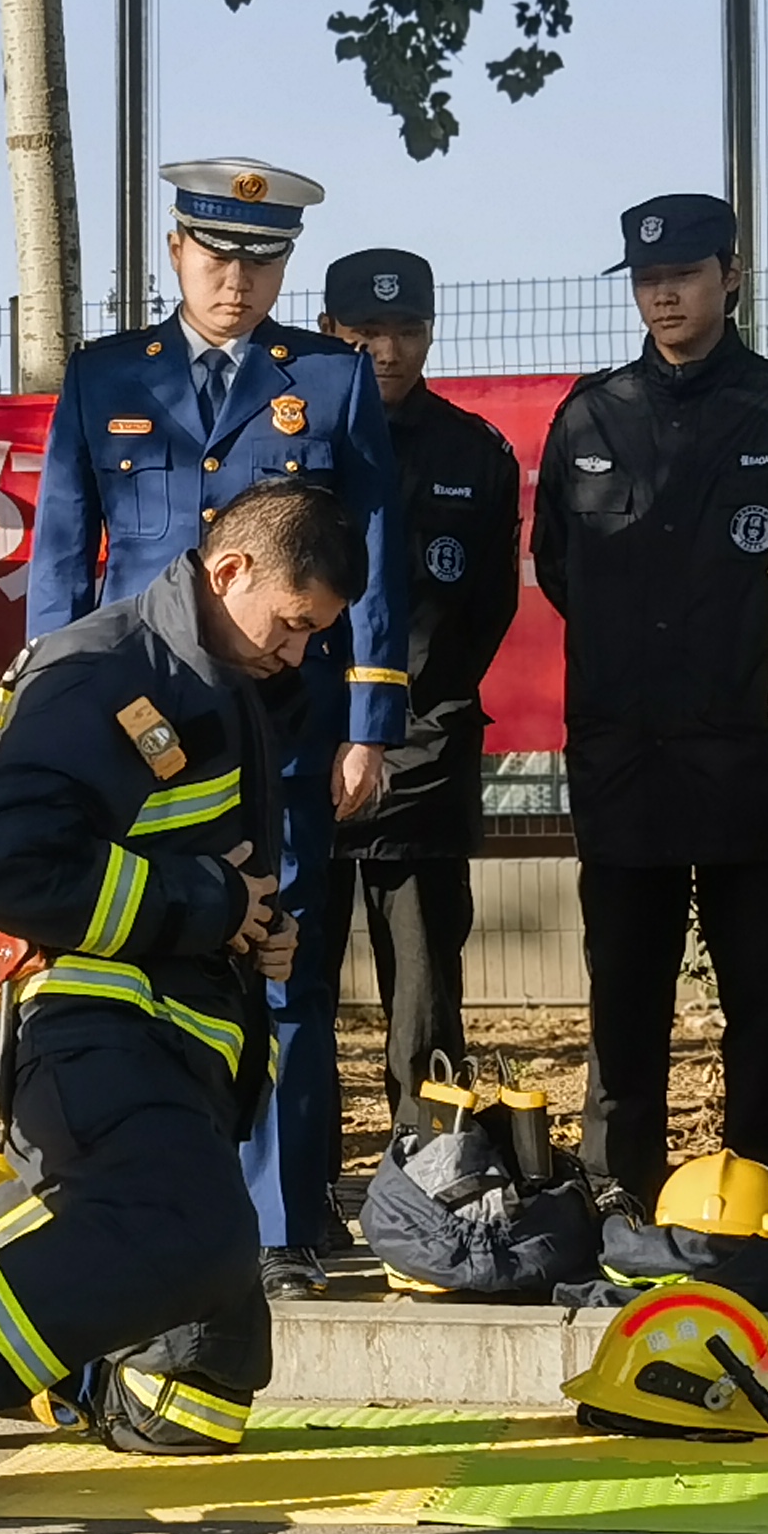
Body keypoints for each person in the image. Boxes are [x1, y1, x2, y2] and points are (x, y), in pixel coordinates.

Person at [0, 485, 365, 1508]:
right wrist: (209, 905)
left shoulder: (218, 667)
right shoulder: (107, 673)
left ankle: (67, 1364)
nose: (297, 653)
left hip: (181, 1030)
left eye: (316, 636)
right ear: (231, 569)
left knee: (201, 1392)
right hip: (93, 1018)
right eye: (293, 625)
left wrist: (254, 926)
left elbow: (203, 856)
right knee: (185, 1230)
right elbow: (8, 867)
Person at [29, 162, 400, 1293]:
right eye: (215, 255)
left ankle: (279, 1227)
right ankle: (142, 1193)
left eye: (260, 260)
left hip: (281, 723)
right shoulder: (103, 377)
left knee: (280, 969)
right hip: (137, 726)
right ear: (175, 255)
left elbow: (369, 555)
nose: (235, 280)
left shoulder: (328, 381)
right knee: (137, 953)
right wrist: (48, 697)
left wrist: (367, 720)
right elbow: (62, 548)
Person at [535, 193, 768, 1210]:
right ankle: (619, 1193)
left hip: (753, 755)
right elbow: (560, 566)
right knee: (624, 1000)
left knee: (764, 1000)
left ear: (730, 276)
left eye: (686, 274)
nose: (663, 293)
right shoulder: (591, 415)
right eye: (647, 278)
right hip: (625, 754)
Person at [315, 247, 519, 1129]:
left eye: (405, 332)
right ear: (330, 334)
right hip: (308, 756)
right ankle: (304, 1189)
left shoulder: (476, 453)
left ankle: (431, 1170)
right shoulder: (297, 445)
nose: (387, 353)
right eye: (365, 334)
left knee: (427, 993)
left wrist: (413, 729)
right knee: (297, 985)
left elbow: (487, 611)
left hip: (426, 755)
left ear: (430, 334)